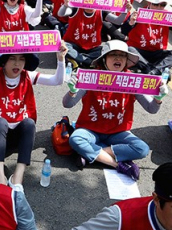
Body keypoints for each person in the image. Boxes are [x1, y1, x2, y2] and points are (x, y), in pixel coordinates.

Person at [0, 43, 67, 190]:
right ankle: (0, 174)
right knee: (1, 122)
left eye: (21, 59)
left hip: (18, 130)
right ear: (4, 61)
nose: (17, 63)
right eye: (12, 58)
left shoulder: (27, 75)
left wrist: (60, 59)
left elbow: (57, 81)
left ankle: (18, 175)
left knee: (29, 123)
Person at [63, 40, 166, 180]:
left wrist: (158, 99)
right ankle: (117, 164)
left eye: (122, 55)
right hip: (90, 129)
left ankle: (91, 155)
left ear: (126, 60)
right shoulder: (91, 78)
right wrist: (72, 92)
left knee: (142, 149)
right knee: (76, 139)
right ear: (104, 59)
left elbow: (151, 109)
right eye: (113, 55)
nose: (118, 58)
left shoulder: (133, 80)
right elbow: (68, 104)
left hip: (118, 132)